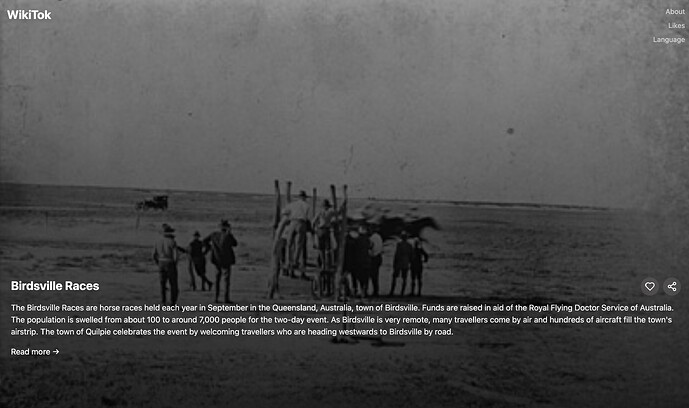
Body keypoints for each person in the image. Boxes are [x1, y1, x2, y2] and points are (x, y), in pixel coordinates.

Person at [204, 220, 238, 303]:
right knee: (226, 280)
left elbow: (204, 241)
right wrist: (230, 233)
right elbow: (235, 244)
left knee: (217, 279)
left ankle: (216, 298)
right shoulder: (228, 236)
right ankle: (226, 298)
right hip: (226, 260)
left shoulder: (214, 235)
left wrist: (211, 248)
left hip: (216, 259)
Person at [152, 224, 184, 305]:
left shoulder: (158, 241)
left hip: (161, 262)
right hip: (169, 262)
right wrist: (175, 263)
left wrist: (157, 262)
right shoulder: (172, 242)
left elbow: (153, 255)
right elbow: (176, 255)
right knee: (173, 284)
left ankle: (163, 301)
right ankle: (172, 302)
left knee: (162, 284)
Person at [284, 190, 311, 279]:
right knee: (299, 244)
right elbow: (307, 217)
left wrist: (289, 217)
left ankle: (288, 261)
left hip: (293, 222)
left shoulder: (293, 204)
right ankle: (295, 261)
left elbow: (284, 212)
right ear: (304, 198)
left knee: (289, 244)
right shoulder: (306, 205)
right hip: (301, 223)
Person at [268, 210, 290, 299]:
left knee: (276, 269)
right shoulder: (285, 221)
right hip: (280, 243)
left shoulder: (285, 221)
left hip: (281, 243)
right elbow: (278, 234)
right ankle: (272, 292)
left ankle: (272, 291)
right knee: (275, 269)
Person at [312, 199, 336, 272]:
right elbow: (337, 213)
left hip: (320, 230)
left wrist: (314, 229)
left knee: (321, 249)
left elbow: (313, 221)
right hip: (327, 230)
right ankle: (328, 265)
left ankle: (323, 264)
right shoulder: (331, 212)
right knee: (327, 248)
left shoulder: (320, 212)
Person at [389, 231, 413, 297]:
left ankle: (392, 291)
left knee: (394, 277)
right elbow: (411, 255)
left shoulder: (399, 245)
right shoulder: (409, 246)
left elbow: (397, 254)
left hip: (399, 263)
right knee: (404, 278)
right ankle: (402, 292)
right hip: (405, 263)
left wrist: (394, 263)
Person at [368, 224, 384, 297]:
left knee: (372, 275)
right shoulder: (379, 237)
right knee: (376, 275)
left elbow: (370, 247)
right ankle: (376, 290)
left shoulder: (372, 238)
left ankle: (374, 291)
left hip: (373, 257)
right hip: (378, 257)